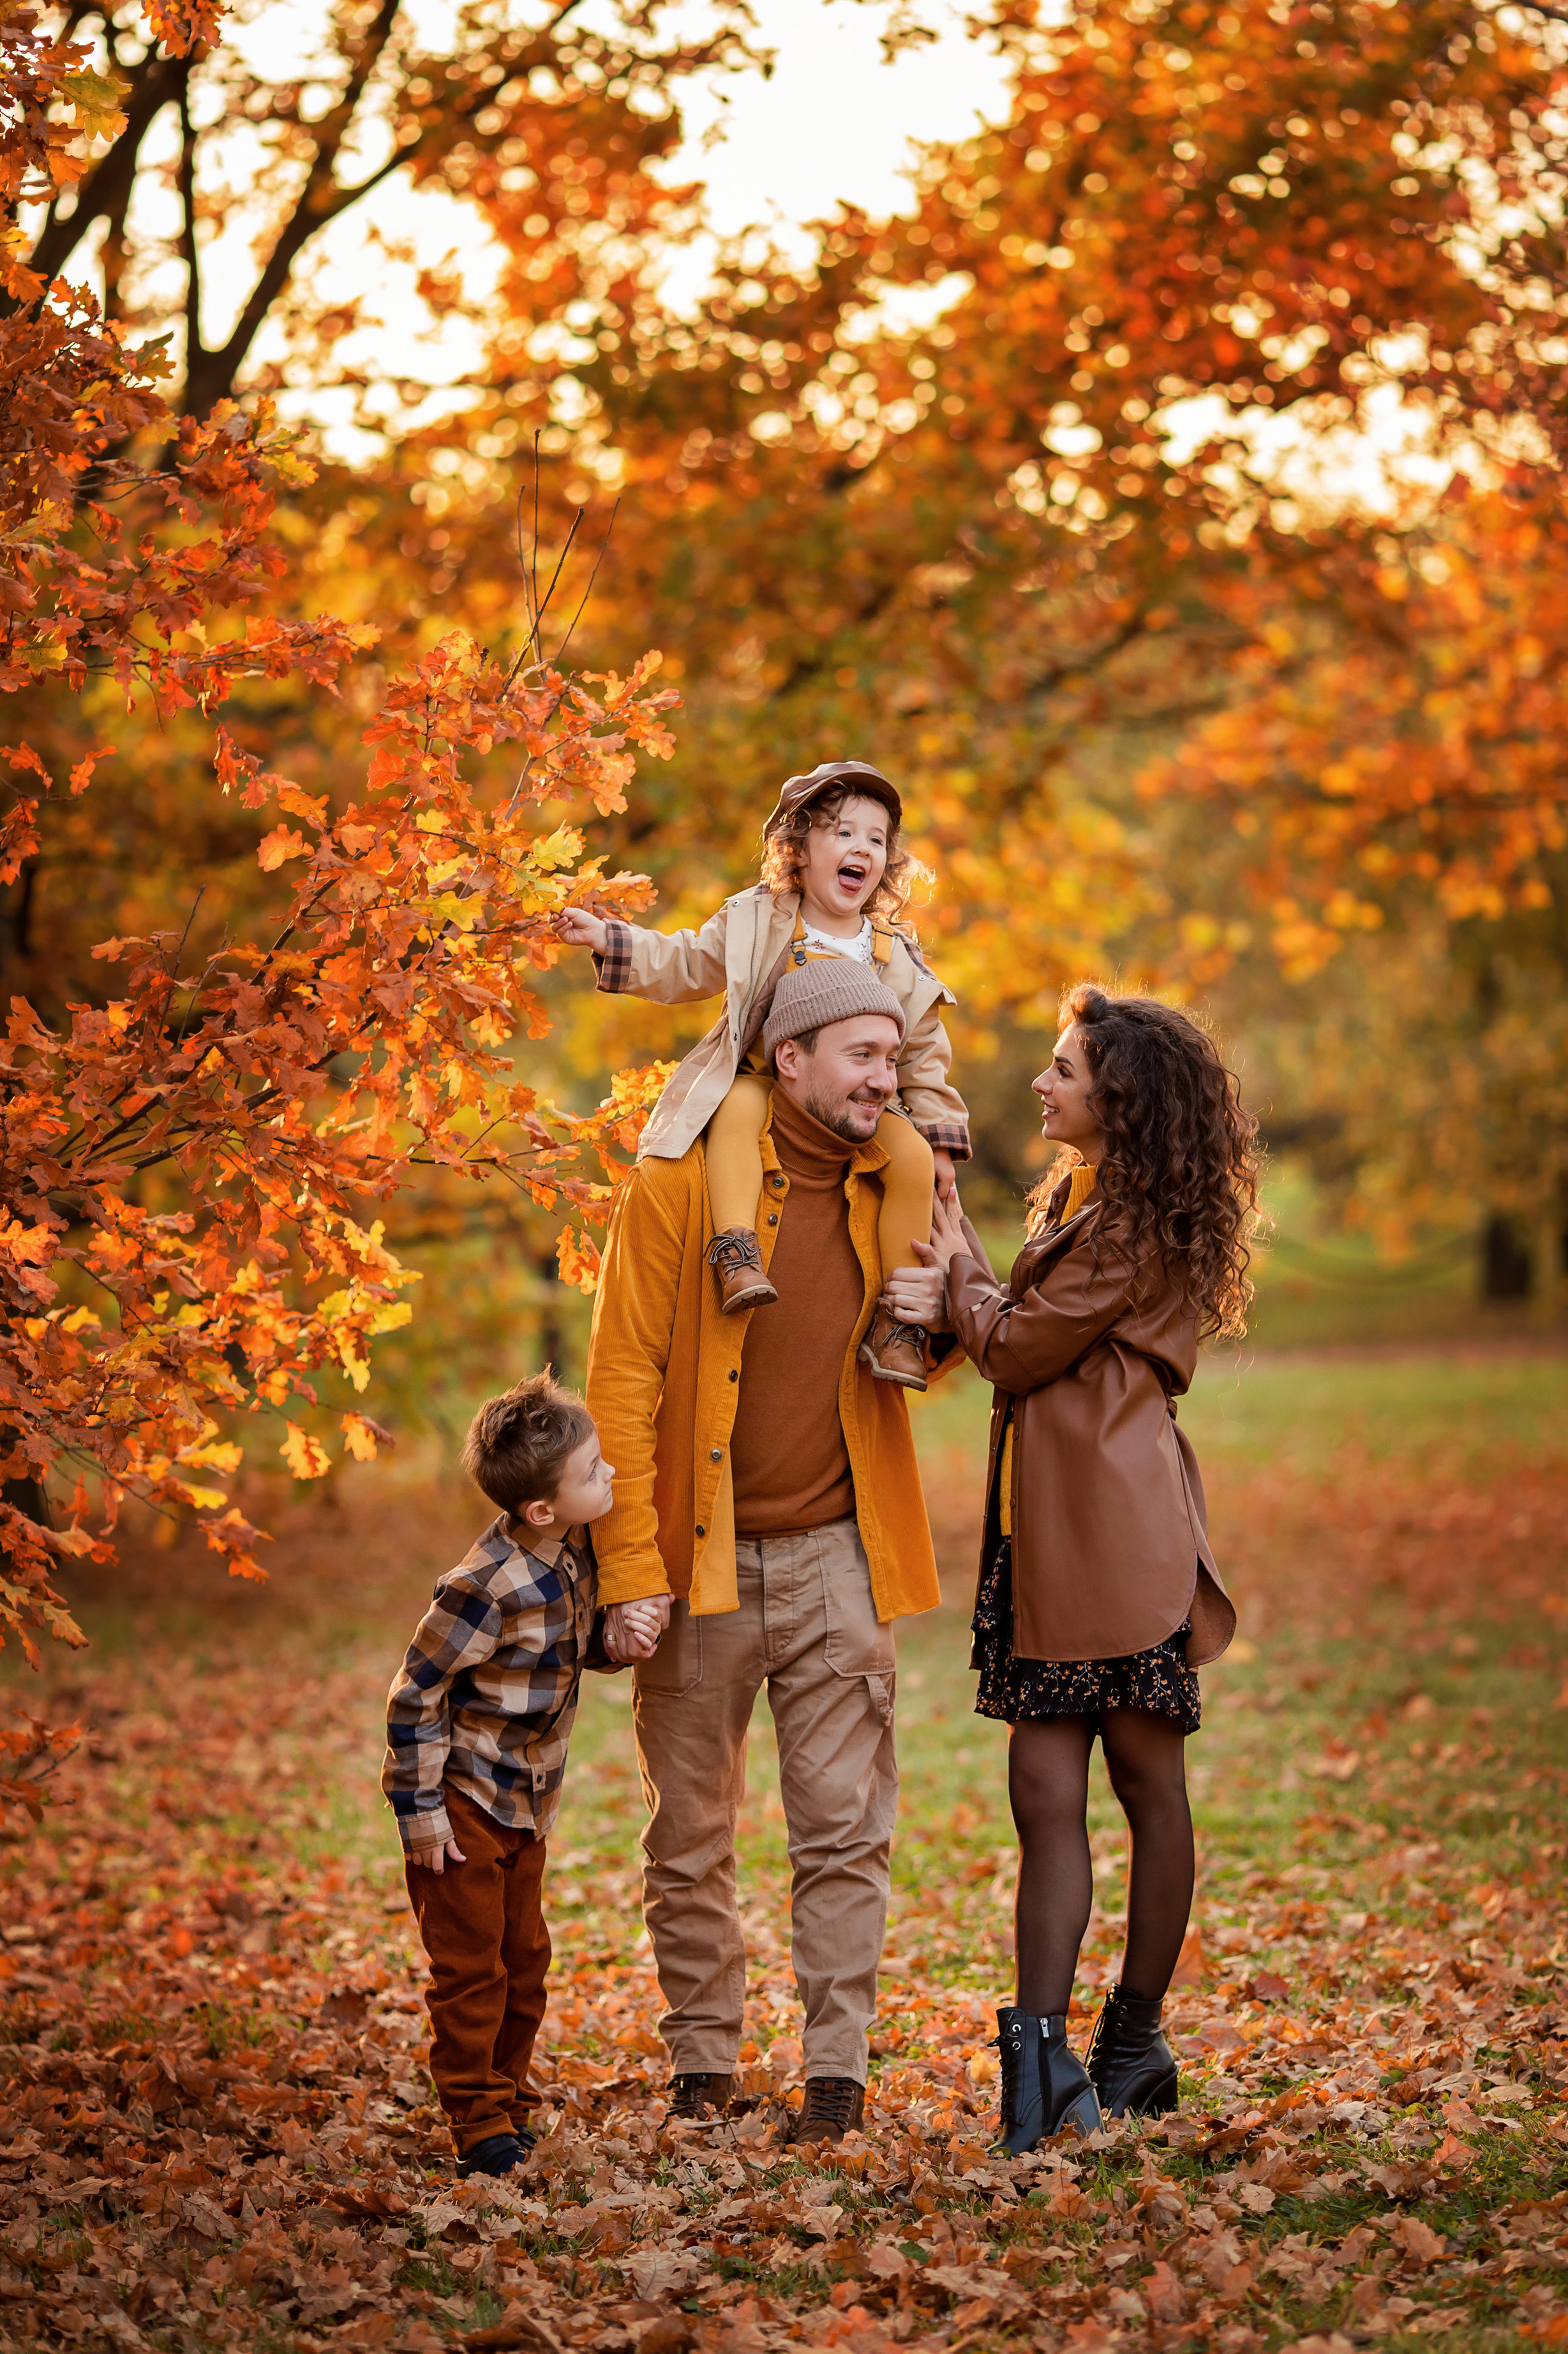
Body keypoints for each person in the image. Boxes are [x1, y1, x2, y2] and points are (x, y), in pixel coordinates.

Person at [886, 986, 1260, 2154]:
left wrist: (959, 1275)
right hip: (1052, 1532)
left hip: (1119, 1533)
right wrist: (962, 1248)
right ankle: (1041, 2063)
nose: (1042, 1085)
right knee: (1045, 1794)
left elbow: (1010, 1345)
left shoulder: (1139, 1223)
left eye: (1063, 1070)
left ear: (1120, 1099)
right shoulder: (1087, 1199)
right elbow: (1020, 1320)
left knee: (1149, 1790)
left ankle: (1133, 2039)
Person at [585, 958, 951, 2145]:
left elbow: (939, 1346)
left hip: (843, 1552)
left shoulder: (899, 1177)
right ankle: (704, 2066)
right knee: (689, 1829)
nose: (883, 1078)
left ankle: (836, 2077)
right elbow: (623, 1379)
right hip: (698, 1563)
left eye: (893, 1057)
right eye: (862, 1054)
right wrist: (630, 1568)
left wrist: (937, 1312)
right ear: (787, 1059)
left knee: (846, 1830)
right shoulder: (681, 1183)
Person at [556, 759, 971, 1391]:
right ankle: (736, 1252)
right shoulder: (760, 918)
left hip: (855, 1105)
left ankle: (899, 1321)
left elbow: (921, 1050)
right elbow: (687, 963)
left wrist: (940, 1139)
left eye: (876, 839)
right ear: (797, 850)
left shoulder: (893, 951)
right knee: (737, 1113)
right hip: (762, 1076)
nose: (861, 848)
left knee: (911, 1160)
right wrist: (612, 940)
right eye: (841, 832)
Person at [382, 1372, 669, 2177]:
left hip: (526, 1801)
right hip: (463, 1804)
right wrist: (421, 1815)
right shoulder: (480, 1586)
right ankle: (477, 2124)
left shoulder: (572, 1554)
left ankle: (508, 2101)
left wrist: (615, 1645)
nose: (609, 1476)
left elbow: (554, 1657)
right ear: (541, 1508)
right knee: (472, 1971)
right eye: (594, 1472)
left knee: (525, 1963)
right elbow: (414, 1696)